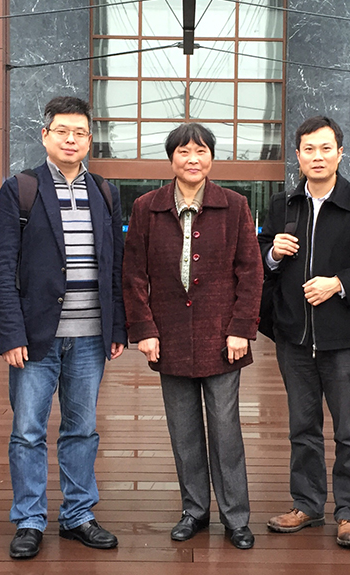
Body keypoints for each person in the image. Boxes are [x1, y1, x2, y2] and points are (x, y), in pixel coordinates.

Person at [0, 96, 126, 559]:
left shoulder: (105, 191)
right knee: (28, 431)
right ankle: (29, 520)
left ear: (90, 139)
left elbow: (115, 264)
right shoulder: (20, 188)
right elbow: (2, 267)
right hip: (35, 339)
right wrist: (11, 333)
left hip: (90, 337)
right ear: (45, 135)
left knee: (81, 429)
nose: (71, 140)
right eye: (62, 131)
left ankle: (78, 515)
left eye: (80, 132)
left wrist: (117, 328)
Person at [258, 115, 350, 548]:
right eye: (308, 149)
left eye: (325, 148)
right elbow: (259, 255)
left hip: (344, 339)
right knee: (302, 428)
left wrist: (338, 283)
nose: (316, 157)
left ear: (340, 153)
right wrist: (272, 253)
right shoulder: (282, 205)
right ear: (297, 156)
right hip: (294, 339)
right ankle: (307, 504)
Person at [122, 123, 262, 550]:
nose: (193, 159)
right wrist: (144, 331)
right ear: (171, 159)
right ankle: (194, 510)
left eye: (201, 151)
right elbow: (134, 275)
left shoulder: (234, 206)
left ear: (211, 158)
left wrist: (240, 329)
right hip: (169, 337)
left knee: (225, 430)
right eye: (184, 151)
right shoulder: (146, 208)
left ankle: (236, 517)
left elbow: (251, 272)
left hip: (222, 337)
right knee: (183, 431)